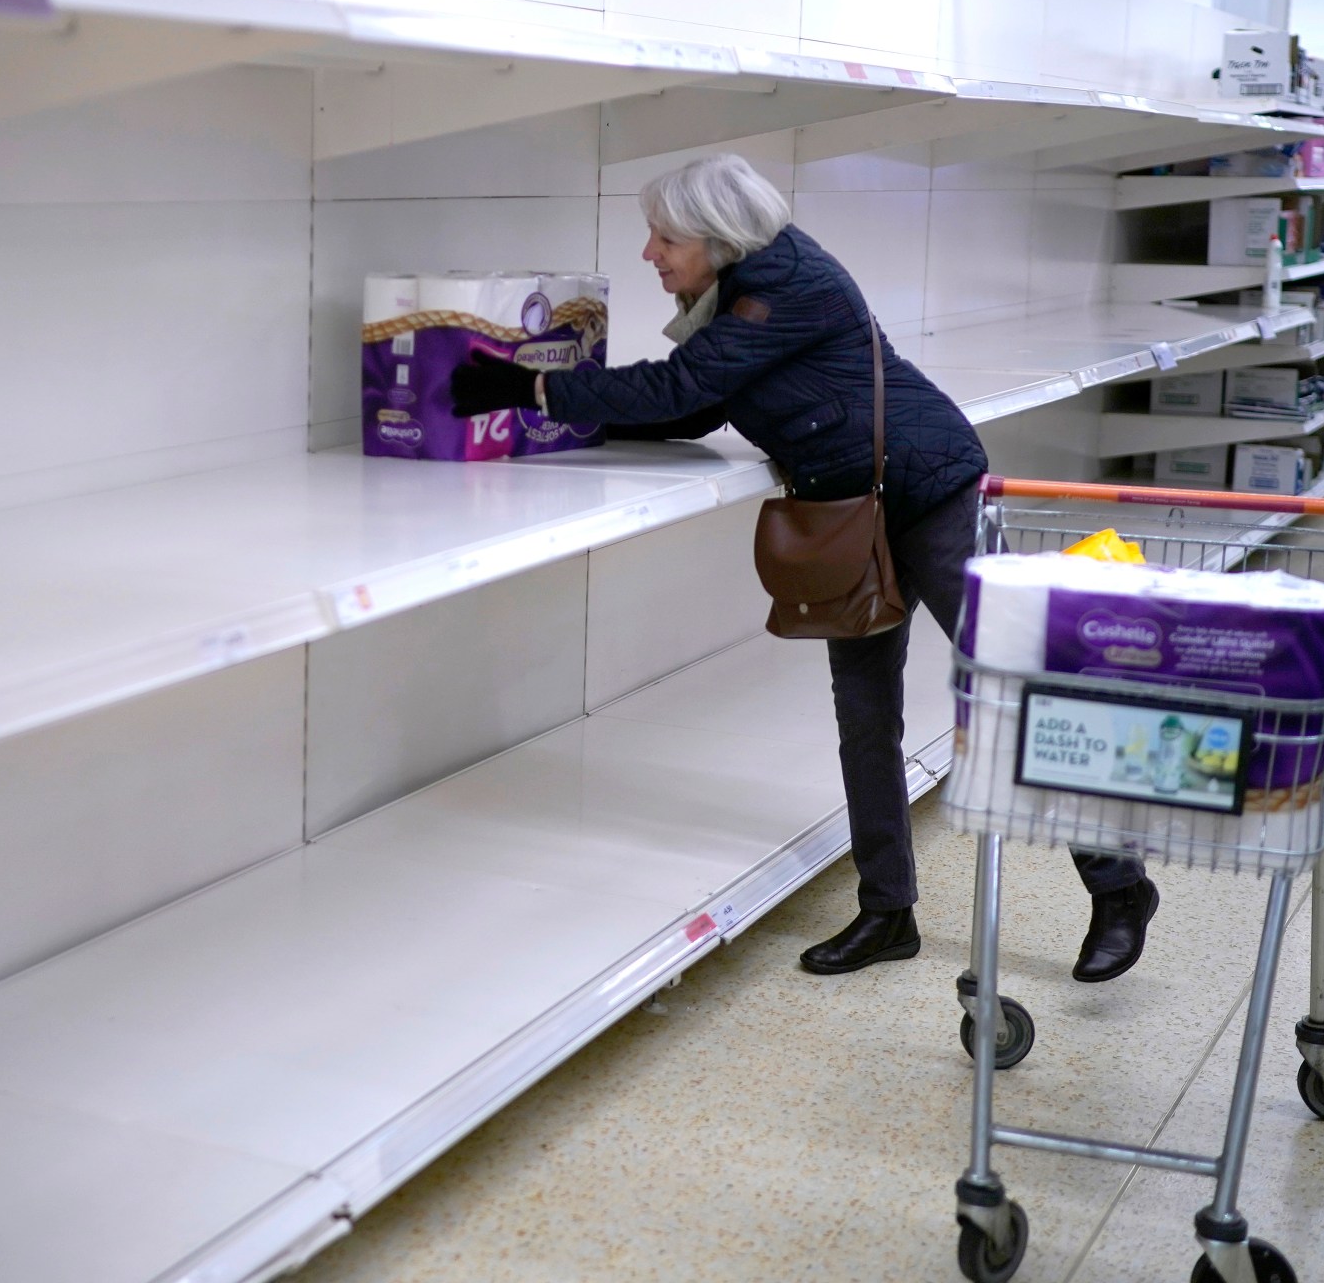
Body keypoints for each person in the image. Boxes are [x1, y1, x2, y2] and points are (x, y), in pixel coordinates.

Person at [448, 155, 1160, 981]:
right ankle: (887, 910)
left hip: (929, 491)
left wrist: (531, 390)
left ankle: (1118, 886)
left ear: (717, 238)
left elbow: (684, 381)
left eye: (664, 236)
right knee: (865, 718)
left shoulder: (786, 278)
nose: (649, 253)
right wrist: (575, 421)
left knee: (1016, 685)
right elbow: (697, 402)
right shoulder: (729, 294)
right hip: (846, 514)